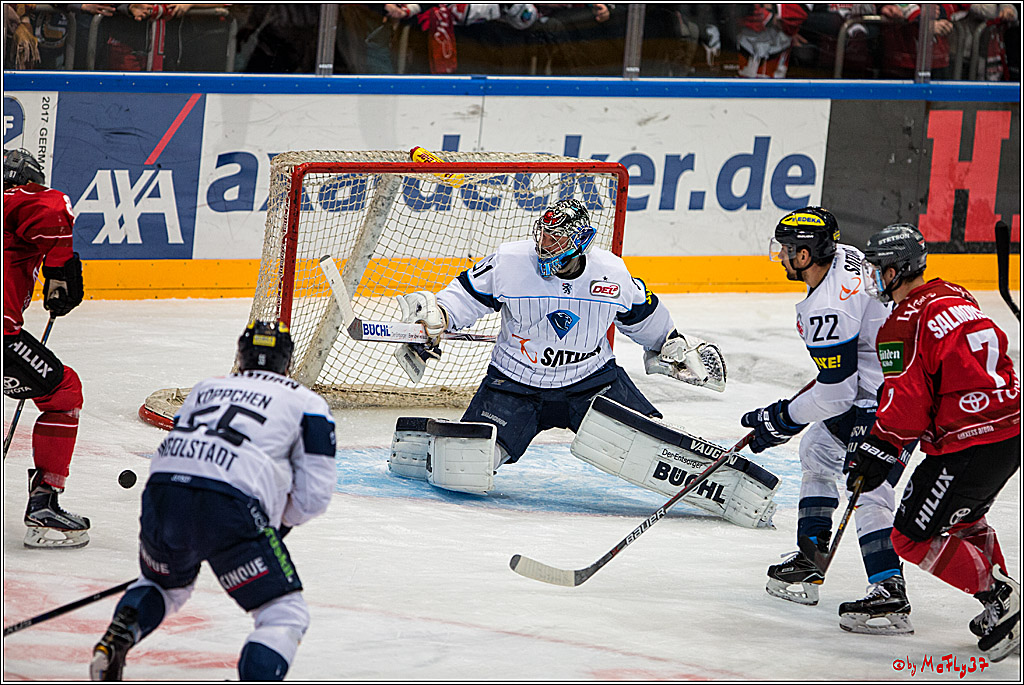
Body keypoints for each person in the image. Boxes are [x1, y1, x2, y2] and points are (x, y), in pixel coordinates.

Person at [385, 198, 771, 525]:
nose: (546, 244)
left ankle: (730, 489)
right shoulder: (510, 262)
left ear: (580, 241)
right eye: (544, 234)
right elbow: (464, 298)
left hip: (591, 383)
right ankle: (427, 450)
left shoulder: (612, 273)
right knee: (465, 468)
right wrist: (439, 318)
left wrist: (671, 347)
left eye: (557, 238)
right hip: (514, 384)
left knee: (654, 448)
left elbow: (645, 317)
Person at [89, 320, 337, 681]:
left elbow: (188, 455)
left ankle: (117, 638)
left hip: (163, 494)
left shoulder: (205, 390)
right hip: (230, 506)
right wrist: (267, 528)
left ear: (240, 357)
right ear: (288, 364)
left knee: (161, 585)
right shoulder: (308, 403)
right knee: (284, 613)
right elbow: (313, 497)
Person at [848, 224, 1021, 661]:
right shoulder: (957, 294)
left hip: (969, 440)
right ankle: (998, 605)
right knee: (965, 520)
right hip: (1011, 428)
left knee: (909, 537)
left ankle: (1004, 596)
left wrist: (877, 446)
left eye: (877, 269)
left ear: (895, 271)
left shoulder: (899, 327)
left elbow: (907, 404)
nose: (873, 277)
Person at [740, 206, 912, 634]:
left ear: (803, 256)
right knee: (818, 449)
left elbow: (836, 394)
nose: (779, 255)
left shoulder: (826, 308)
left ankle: (889, 592)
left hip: (897, 394)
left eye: (785, 249)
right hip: (882, 381)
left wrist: (780, 418)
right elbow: (842, 378)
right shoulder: (845, 256)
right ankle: (811, 555)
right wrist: (793, 416)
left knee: (867, 483)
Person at [3, 148, 89, 549]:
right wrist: (61, 268)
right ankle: (44, 507)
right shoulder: (22, 199)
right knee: (63, 392)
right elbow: (51, 209)